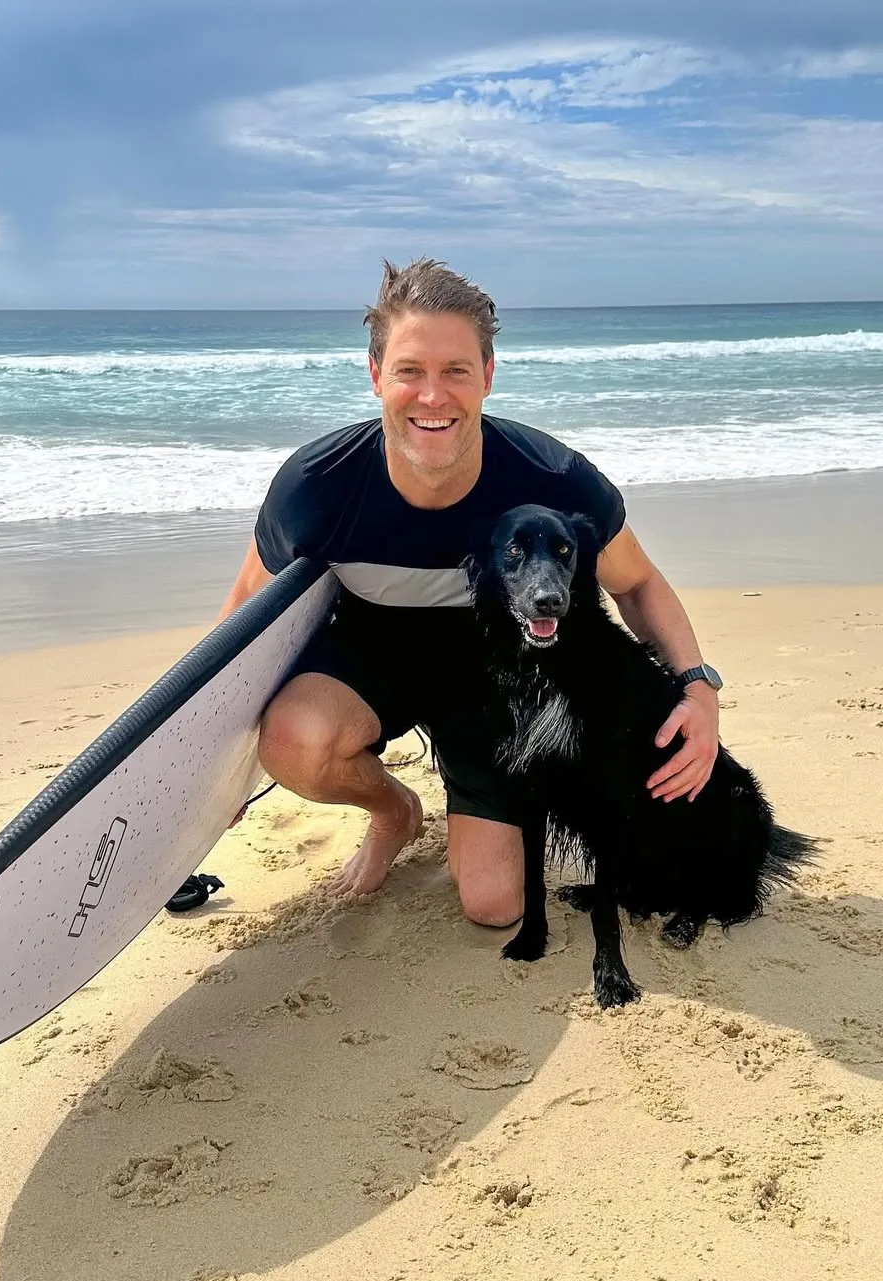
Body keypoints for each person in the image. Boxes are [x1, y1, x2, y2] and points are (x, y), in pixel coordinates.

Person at [218, 259, 721, 927]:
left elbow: (637, 584)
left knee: (495, 906)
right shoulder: (316, 487)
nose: (433, 396)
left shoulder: (553, 480)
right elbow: (245, 614)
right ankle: (395, 812)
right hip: (370, 653)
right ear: (376, 375)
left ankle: (494, 795)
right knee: (294, 741)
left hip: (493, 677)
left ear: (487, 375)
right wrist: (214, 772)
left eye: (455, 371)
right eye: (410, 370)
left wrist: (698, 687)